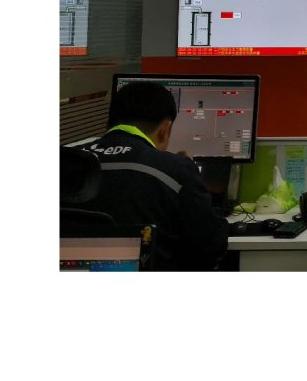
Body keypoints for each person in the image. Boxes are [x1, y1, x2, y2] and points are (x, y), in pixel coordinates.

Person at [77, 80, 229, 271]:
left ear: (109, 122)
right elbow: (211, 246)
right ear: (165, 129)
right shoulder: (176, 169)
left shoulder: (67, 161)